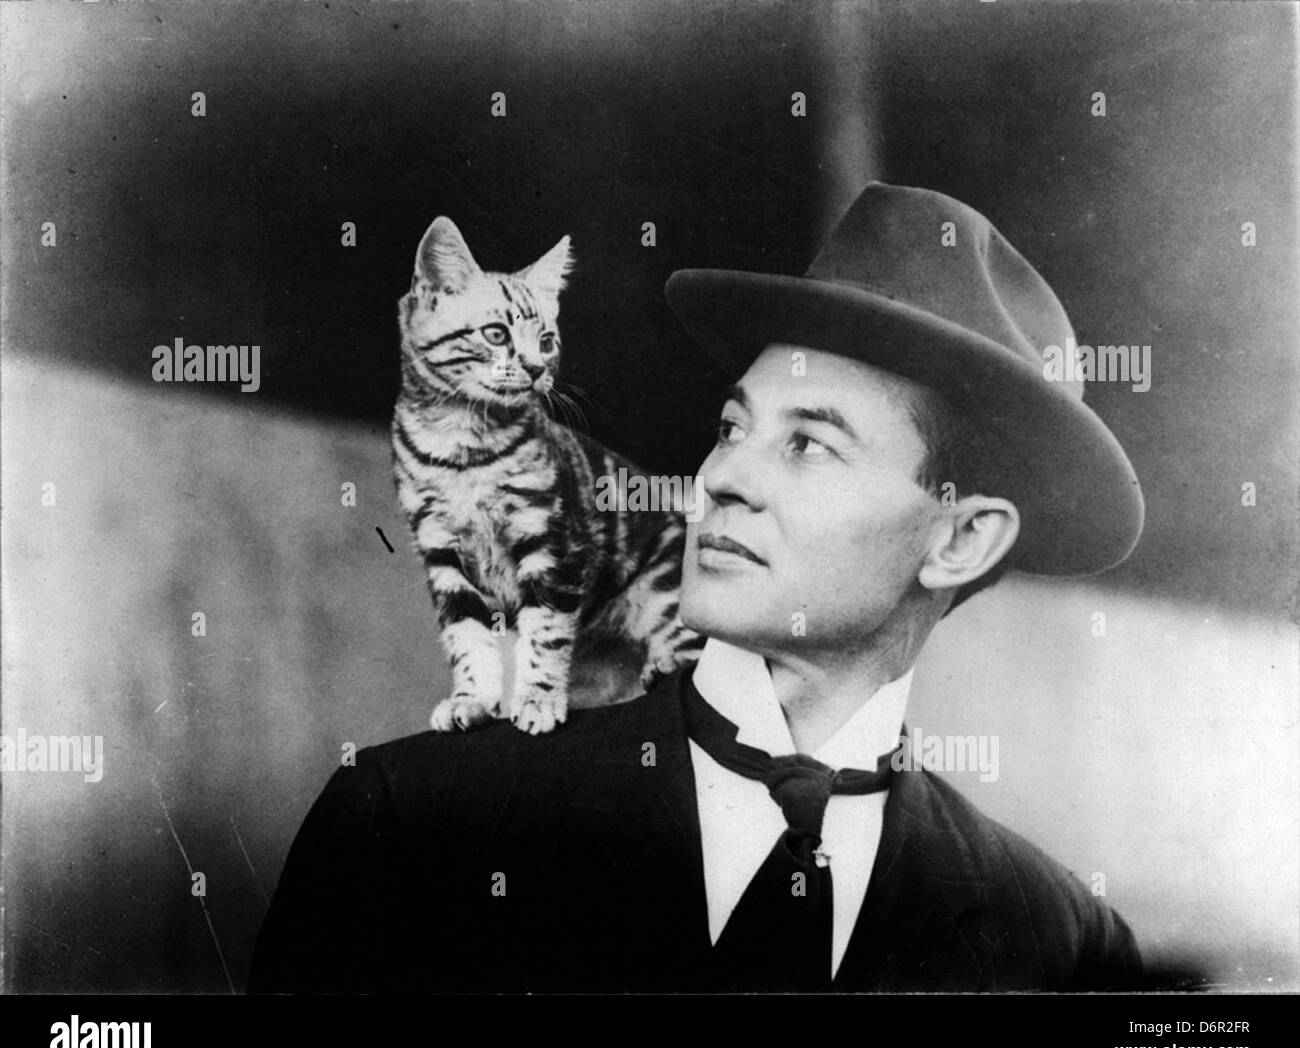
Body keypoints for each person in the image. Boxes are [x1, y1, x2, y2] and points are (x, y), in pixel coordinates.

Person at [248, 182, 1145, 993]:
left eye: (808, 443)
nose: (718, 479)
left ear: (962, 537)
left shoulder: (1065, 948)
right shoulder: (408, 828)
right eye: (730, 425)